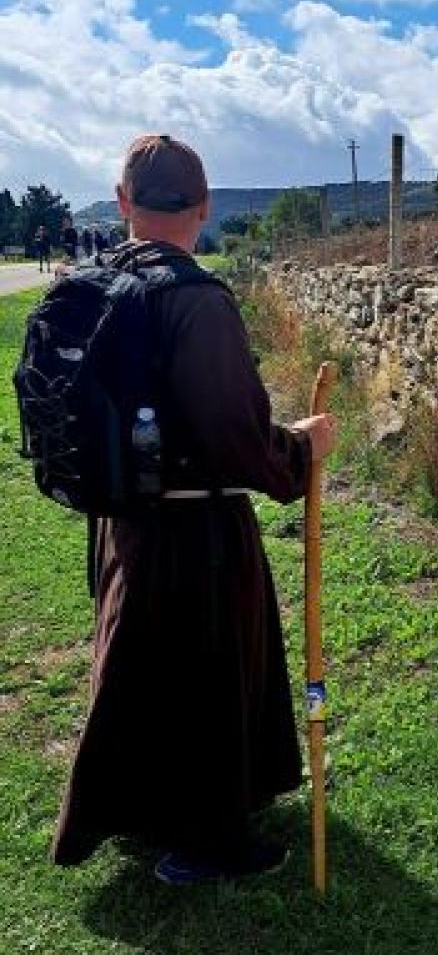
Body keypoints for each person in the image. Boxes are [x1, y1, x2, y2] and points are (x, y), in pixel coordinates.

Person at [51, 133, 336, 884]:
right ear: (204, 210)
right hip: (196, 530)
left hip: (127, 523)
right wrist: (301, 450)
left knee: (144, 664)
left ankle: (147, 811)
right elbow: (234, 437)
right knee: (204, 673)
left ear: (122, 203)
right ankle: (204, 842)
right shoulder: (195, 300)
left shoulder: (100, 281)